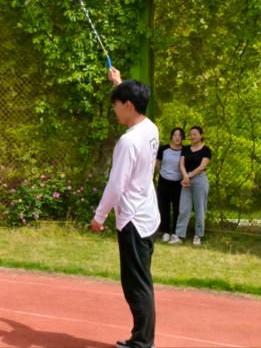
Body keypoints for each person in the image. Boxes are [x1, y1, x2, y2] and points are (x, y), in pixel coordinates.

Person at [90, 68, 159, 348]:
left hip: (133, 220)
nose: (114, 110)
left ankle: (142, 342)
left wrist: (99, 217)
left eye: (117, 104)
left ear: (128, 105)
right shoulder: (150, 127)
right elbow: (131, 101)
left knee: (136, 285)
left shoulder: (128, 141)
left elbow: (115, 186)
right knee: (142, 280)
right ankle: (143, 338)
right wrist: (119, 84)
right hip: (147, 215)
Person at [169, 126, 212, 245]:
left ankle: (198, 235)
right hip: (186, 180)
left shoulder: (206, 150)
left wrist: (189, 176)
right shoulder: (186, 149)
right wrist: (185, 176)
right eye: (191, 134)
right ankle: (179, 235)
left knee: (200, 209)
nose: (192, 136)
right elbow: (181, 164)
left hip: (199, 180)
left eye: (195, 134)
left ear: (201, 135)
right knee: (184, 208)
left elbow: (202, 166)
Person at [155, 128, 184, 242]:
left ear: (182, 137)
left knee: (177, 207)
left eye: (179, 135)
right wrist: (163, 173)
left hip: (179, 182)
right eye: (175, 135)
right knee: (163, 207)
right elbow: (157, 164)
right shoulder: (164, 149)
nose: (177, 137)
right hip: (164, 180)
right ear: (171, 136)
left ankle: (176, 233)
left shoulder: (185, 150)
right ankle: (165, 231)